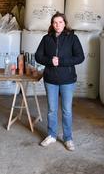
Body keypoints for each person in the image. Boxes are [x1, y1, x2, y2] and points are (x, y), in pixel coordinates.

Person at [35, 12, 84, 151]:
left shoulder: (72, 38)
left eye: (60, 22)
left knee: (67, 110)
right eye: (55, 23)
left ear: (65, 23)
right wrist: (49, 61)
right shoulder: (46, 38)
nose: (58, 25)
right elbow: (38, 56)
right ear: (52, 24)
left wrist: (61, 61)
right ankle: (51, 135)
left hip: (67, 79)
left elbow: (80, 57)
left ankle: (68, 138)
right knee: (51, 109)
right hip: (50, 79)